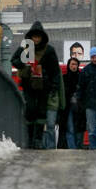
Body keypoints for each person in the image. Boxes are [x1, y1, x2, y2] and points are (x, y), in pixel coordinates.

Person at [11, 21, 63, 149]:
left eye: (38, 37)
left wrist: (54, 86)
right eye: (34, 37)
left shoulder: (49, 50)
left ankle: (38, 140)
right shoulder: (25, 47)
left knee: (41, 112)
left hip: (44, 86)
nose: (36, 39)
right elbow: (14, 60)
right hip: (29, 85)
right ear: (30, 37)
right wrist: (25, 65)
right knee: (30, 110)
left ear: (42, 37)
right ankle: (29, 139)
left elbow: (55, 71)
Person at [59, 55, 86, 150]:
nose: (74, 66)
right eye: (72, 64)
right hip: (67, 108)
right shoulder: (64, 78)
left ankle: (78, 147)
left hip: (80, 107)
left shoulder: (82, 78)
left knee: (79, 130)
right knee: (69, 128)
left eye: (75, 64)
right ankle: (72, 149)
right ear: (68, 65)